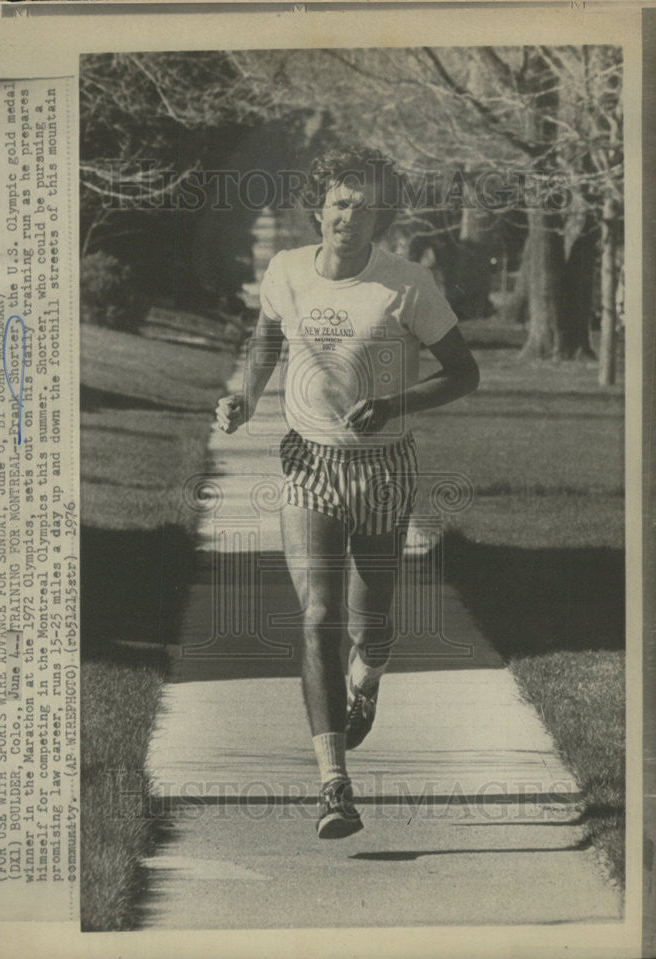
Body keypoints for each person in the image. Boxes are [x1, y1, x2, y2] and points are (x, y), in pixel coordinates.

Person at [216, 147, 479, 839]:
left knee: (373, 626)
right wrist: (241, 397)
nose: (348, 217)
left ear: (380, 217)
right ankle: (334, 785)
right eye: (338, 202)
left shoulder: (406, 284)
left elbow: (463, 372)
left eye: (364, 207)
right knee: (317, 617)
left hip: (383, 469)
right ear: (318, 206)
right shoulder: (287, 271)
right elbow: (265, 342)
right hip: (310, 464)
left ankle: (367, 679)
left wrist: (393, 405)